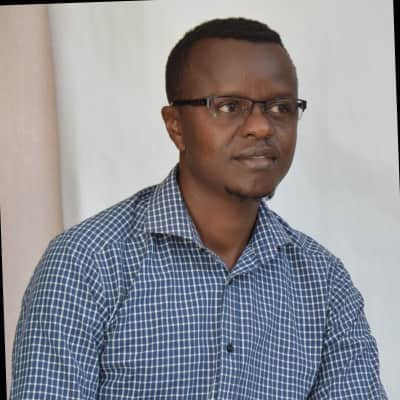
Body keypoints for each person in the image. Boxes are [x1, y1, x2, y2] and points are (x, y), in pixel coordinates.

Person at [10, 17, 387, 399]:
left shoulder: (323, 283)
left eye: (281, 107)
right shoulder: (86, 263)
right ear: (175, 125)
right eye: (229, 106)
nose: (262, 127)